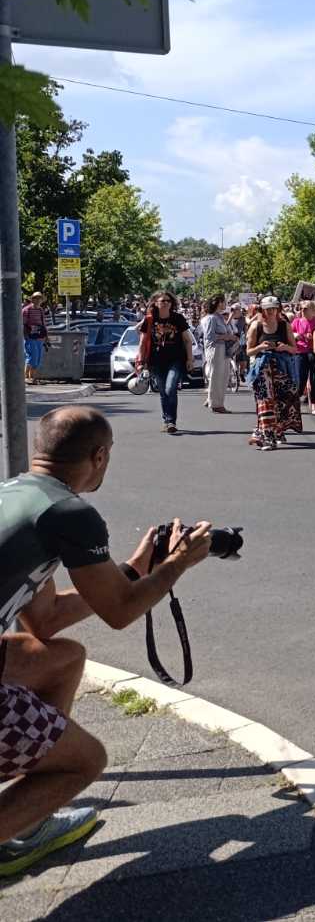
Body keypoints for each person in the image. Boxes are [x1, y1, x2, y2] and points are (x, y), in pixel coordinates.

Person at [0, 407, 215, 873]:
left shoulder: (16, 494)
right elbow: (119, 612)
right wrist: (178, 563)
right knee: (85, 762)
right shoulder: (69, 512)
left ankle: (25, 814)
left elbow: (46, 621)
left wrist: (136, 570)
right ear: (99, 456)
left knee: (61, 659)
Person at [245, 296, 303, 451]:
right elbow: (249, 351)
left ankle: (277, 430)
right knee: (265, 401)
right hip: (262, 367)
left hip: (282, 367)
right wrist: (260, 347)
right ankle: (268, 437)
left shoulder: (284, 325)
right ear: (262, 309)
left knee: (285, 399)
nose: (271, 312)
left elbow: (294, 348)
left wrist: (284, 347)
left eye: (274, 308)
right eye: (268, 309)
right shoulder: (256, 326)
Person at [136, 291, 193, 435]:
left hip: (176, 359)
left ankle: (171, 421)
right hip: (156, 361)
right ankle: (167, 421)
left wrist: (190, 359)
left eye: (168, 300)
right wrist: (141, 362)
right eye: (162, 300)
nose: (165, 302)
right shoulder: (149, 320)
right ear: (156, 303)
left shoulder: (178, 318)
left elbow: (187, 340)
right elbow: (142, 343)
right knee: (163, 392)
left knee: (170, 388)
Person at [198, 295, 233, 414]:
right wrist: (227, 337)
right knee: (216, 376)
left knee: (223, 375)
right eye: (224, 302)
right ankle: (216, 404)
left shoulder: (219, 317)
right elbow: (210, 336)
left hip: (223, 349)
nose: (226, 304)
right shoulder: (211, 318)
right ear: (218, 303)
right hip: (216, 348)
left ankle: (212, 399)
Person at [290, 300, 315, 416]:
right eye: (302, 308)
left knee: (314, 380)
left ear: (313, 311)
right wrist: (296, 335)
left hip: (314, 352)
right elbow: (290, 332)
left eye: (306, 308)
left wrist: (314, 337)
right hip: (300, 352)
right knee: (300, 380)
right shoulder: (297, 321)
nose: (303, 310)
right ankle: (295, 404)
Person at [21, 293, 50, 387]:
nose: (38, 300)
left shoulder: (41, 310)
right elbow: (22, 324)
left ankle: (32, 377)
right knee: (31, 357)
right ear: (32, 299)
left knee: (38, 358)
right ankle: (26, 377)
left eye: (40, 299)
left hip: (39, 337)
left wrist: (46, 337)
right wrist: (26, 336)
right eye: (36, 298)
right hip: (30, 337)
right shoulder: (26, 310)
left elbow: (43, 324)